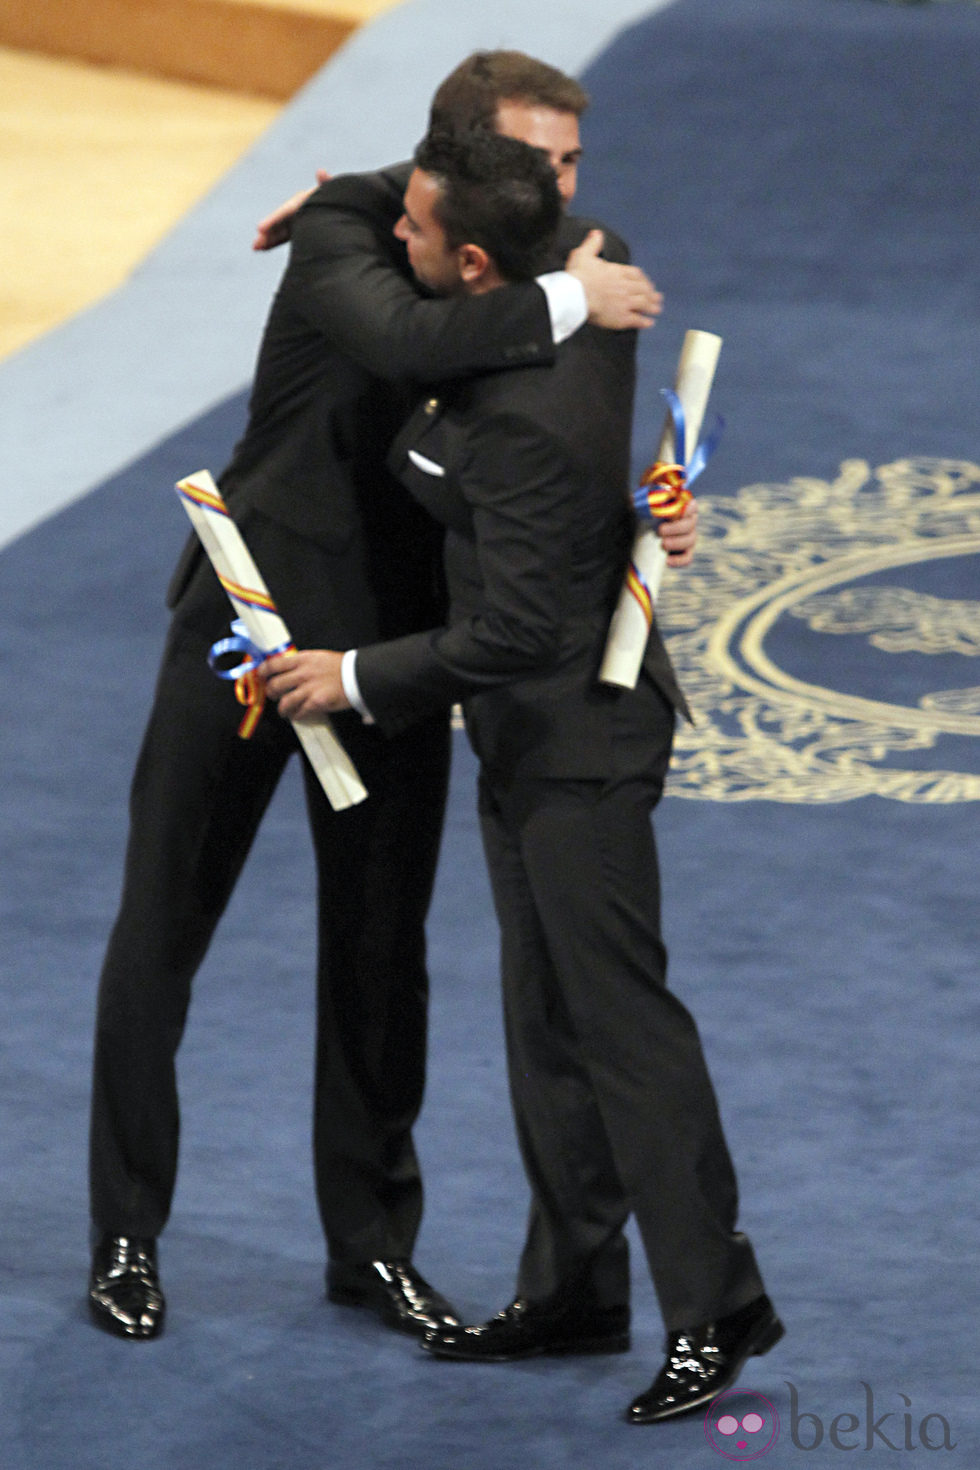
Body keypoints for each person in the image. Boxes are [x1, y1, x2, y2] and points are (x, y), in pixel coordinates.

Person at [87, 51, 670, 1343]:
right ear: (452, 152)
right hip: (246, 630)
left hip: (398, 658)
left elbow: (543, 463)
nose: (559, 194)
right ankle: (125, 1233)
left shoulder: (543, 256)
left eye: (572, 169)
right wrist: (567, 299)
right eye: (535, 164)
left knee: (378, 948)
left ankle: (372, 1247)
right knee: (163, 927)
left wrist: (641, 523)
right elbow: (409, 339)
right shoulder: (359, 230)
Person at [263, 125, 782, 1426]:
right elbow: (574, 240)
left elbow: (513, 634)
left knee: (622, 1029)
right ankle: (575, 1290)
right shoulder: (585, 290)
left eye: (420, 234)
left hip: (579, 742)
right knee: (547, 1027)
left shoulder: (526, 425)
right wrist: (349, 192)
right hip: (521, 738)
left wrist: (354, 677)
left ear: (482, 263)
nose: (400, 244)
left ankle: (717, 1311)